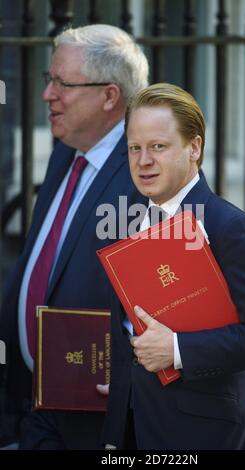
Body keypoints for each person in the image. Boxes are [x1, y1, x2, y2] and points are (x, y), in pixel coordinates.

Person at [101, 83, 245, 450]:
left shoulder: (230, 226)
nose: (143, 161)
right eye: (134, 148)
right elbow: (133, 334)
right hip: (129, 432)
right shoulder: (129, 223)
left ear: (194, 148)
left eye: (158, 146)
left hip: (203, 437)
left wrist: (176, 349)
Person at [0, 24, 148, 449]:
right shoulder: (66, 150)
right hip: (35, 410)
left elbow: (172, 312)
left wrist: (130, 386)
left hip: (98, 427)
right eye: (50, 80)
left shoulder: (148, 172)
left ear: (109, 96)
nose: (48, 95)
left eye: (63, 83)